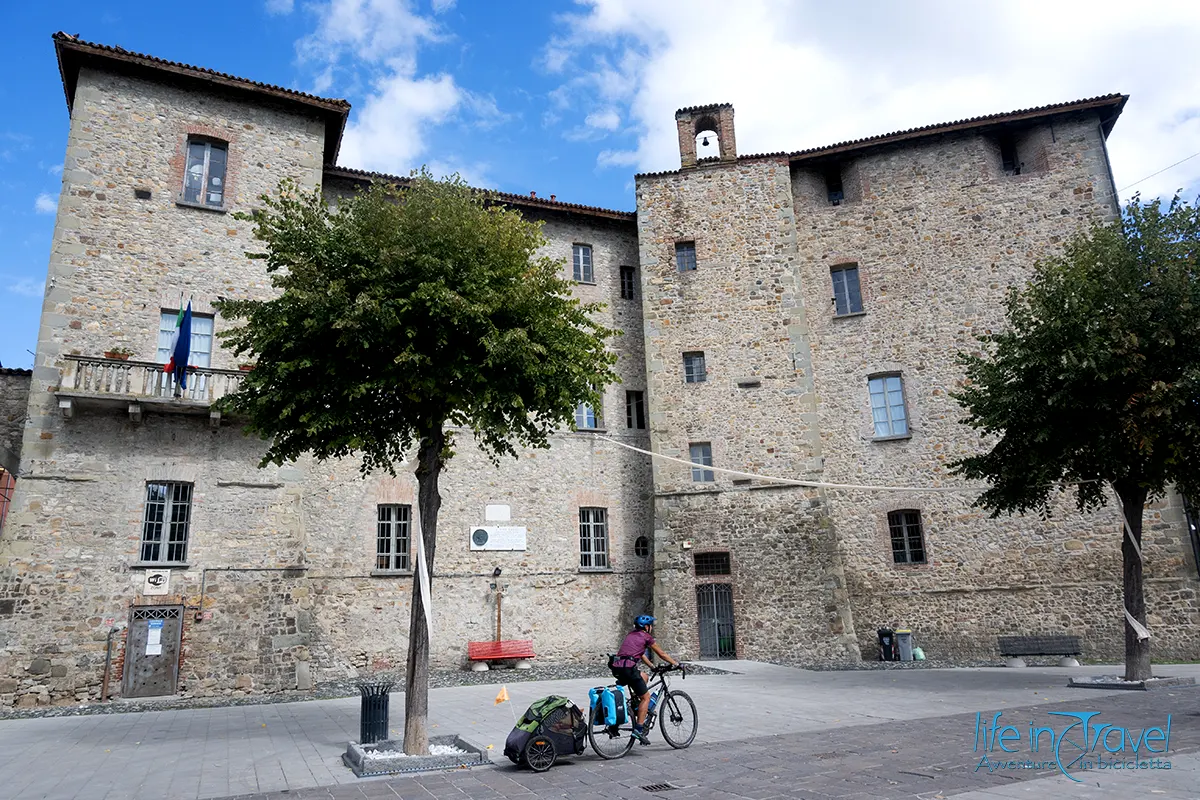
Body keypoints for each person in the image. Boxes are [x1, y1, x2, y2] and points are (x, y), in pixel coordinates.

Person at [610, 614, 679, 744]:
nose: (651, 628)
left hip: (617, 668)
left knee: (644, 676)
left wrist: (652, 667)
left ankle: (635, 707)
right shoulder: (647, 637)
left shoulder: (631, 635)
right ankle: (639, 729)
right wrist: (677, 664)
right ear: (646, 627)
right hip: (629, 669)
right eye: (651, 625)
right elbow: (662, 654)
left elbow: (640, 654)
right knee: (646, 698)